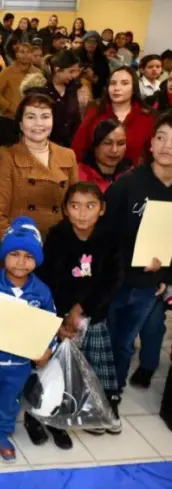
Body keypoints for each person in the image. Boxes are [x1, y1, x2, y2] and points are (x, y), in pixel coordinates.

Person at [34, 182, 124, 446]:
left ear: (102, 209)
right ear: (65, 209)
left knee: (99, 367)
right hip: (62, 318)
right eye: (75, 206)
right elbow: (50, 279)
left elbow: (113, 281)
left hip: (94, 314)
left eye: (90, 206)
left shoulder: (110, 239)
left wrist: (81, 309)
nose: (82, 213)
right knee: (63, 369)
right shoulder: (57, 237)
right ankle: (70, 406)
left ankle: (104, 406)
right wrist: (62, 316)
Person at [0, 217, 55, 463]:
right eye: (14, 254)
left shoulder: (43, 292)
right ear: (3, 255)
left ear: (37, 260)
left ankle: (1, 434)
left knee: (9, 402)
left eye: (28, 256)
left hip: (19, 365)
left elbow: (50, 327)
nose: (21, 261)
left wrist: (47, 349)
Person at [104, 115, 172, 394]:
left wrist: (165, 274)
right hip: (115, 280)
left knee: (124, 342)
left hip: (149, 285)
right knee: (103, 339)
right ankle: (94, 389)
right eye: (162, 137)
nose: (168, 145)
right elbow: (104, 233)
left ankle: (113, 392)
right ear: (151, 144)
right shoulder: (128, 184)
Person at [0, 94, 79, 276]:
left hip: (55, 252)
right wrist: (20, 255)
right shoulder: (5, 156)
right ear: (20, 123)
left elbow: (75, 207)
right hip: (13, 257)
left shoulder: (68, 156)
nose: (38, 124)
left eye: (45, 116)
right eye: (31, 116)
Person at [72, 67, 155, 167]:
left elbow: (152, 154)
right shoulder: (96, 111)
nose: (117, 88)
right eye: (113, 83)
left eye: (124, 83)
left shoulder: (146, 117)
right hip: (93, 176)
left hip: (131, 178)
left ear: (134, 88)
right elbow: (78, 146)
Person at [34, 50, 82, 147]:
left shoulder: (72, 89)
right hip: (44, 146)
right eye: (71, 71)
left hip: (68, 146)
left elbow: (76, 119)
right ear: (57, 70)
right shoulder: (41, 91)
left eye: (76, 71)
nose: (73, 76)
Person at [0, 43, 41, 128]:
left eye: (28, 52)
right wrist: (10, 107)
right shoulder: (7, 72)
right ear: (16, 54)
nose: (25, 55)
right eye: (22, 52)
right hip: (9, 119)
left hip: (30, 119)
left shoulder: (38, 73)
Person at [78, 119, 131, 192]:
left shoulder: (132, 176)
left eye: (121, 143)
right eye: (107, 143)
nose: (114, 150)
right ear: (95, 145)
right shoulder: (78, 176)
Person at [76, 32, 110, 99]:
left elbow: (106, 75)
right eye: (88, 41)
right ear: (84, 43)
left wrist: (95, 79)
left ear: (97, 44)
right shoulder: (76, 55)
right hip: (79, 90)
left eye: (94, 42)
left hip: (97, 90)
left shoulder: (102, 57)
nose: (91, 44)